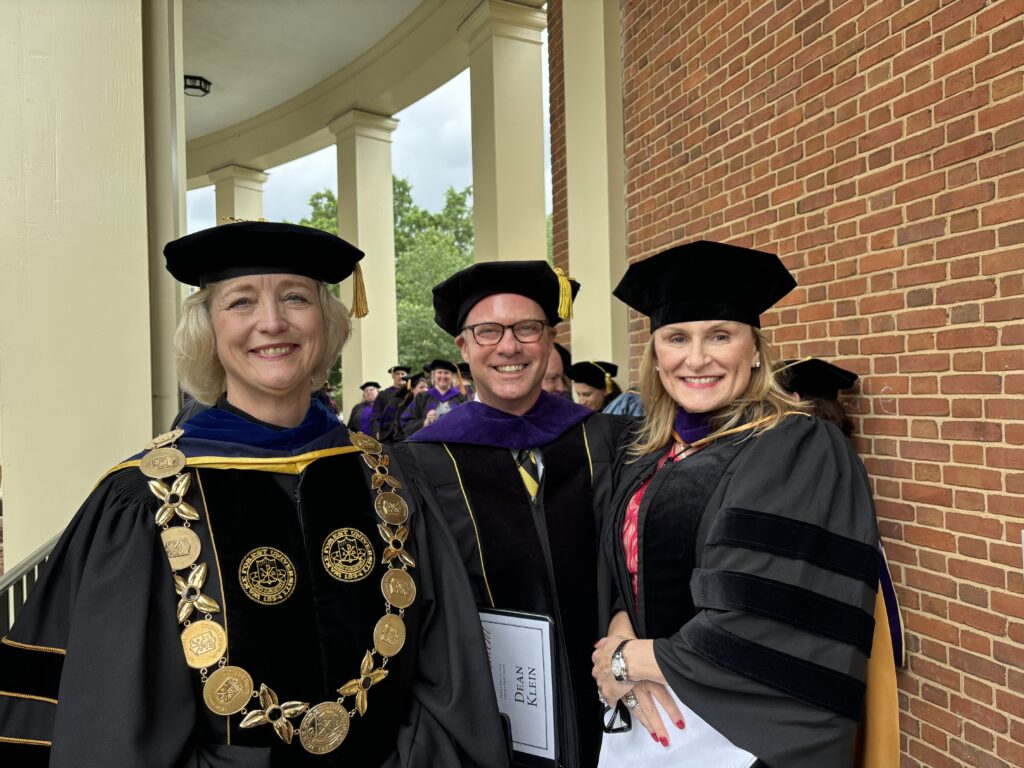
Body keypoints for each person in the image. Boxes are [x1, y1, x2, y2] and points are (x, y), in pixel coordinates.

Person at [0, 221, 508, 768]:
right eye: (241, 302)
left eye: (295, 297)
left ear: (326, 322)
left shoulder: (386, 476)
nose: (272, 322)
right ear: (209, 333)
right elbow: (114, 720)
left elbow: (446, 671)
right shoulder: (145, 499)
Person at [592, 240, 887, 767]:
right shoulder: (647, 453)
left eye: (720, 336)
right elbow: (627, 570)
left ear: (754, 350)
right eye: (677, 337)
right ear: (656, 352)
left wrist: (634, 660)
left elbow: (769, 611)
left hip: (744, 737)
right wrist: (618, 633)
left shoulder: (798, 447)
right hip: (647, 718)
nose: (697, 358)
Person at [399, 261, 628, 768]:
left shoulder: (607, 441)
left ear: (549, 340)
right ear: (463, 347)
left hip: (611, 701)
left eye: (528, 328)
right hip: (486, 711)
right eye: (488, 331)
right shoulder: (420, 461)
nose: (509, 346)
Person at [398, 359, 469, 436]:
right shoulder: (422, 397)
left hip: (453, 443)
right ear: (433, 375)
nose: (443, 376)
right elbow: (405, 421)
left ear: (451, 376)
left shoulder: (461, 397)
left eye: (446, 373)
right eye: (439, 372)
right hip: (428, 444)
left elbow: (468, 421)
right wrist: (425, 422)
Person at [370, 365, 410, 443]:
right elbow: (375, 415)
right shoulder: (383, 394)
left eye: (402, 374)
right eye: (397, 374)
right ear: (393, 376)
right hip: (388, 434)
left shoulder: (411, 393)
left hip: (406, 431)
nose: (400, 376)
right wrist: (376, 431)